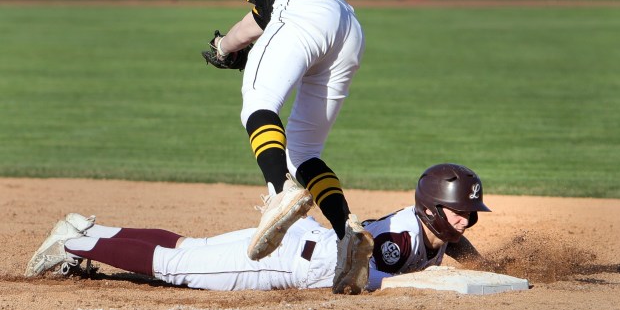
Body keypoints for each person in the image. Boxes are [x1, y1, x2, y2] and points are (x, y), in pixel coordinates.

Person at [154, 0, 370, 294]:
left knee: (258, 103)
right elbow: (258, 21)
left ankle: (279, 193)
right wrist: (224, 47)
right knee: (304, 151)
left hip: (304, 12)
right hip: (346, 27)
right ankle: (348, 235)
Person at [25, 163, 491, 293]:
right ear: (431, 210)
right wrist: (432, 284)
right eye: (458, 213)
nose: (465, 220)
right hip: (293, 262)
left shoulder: (426, 229)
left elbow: (456, 246)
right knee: (175, 265)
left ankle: (91, 228)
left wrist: (481, 266)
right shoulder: (397, 242)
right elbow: (360, 282)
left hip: (304, 239)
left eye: (469, 214)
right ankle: (74, 244)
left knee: (192, 246)